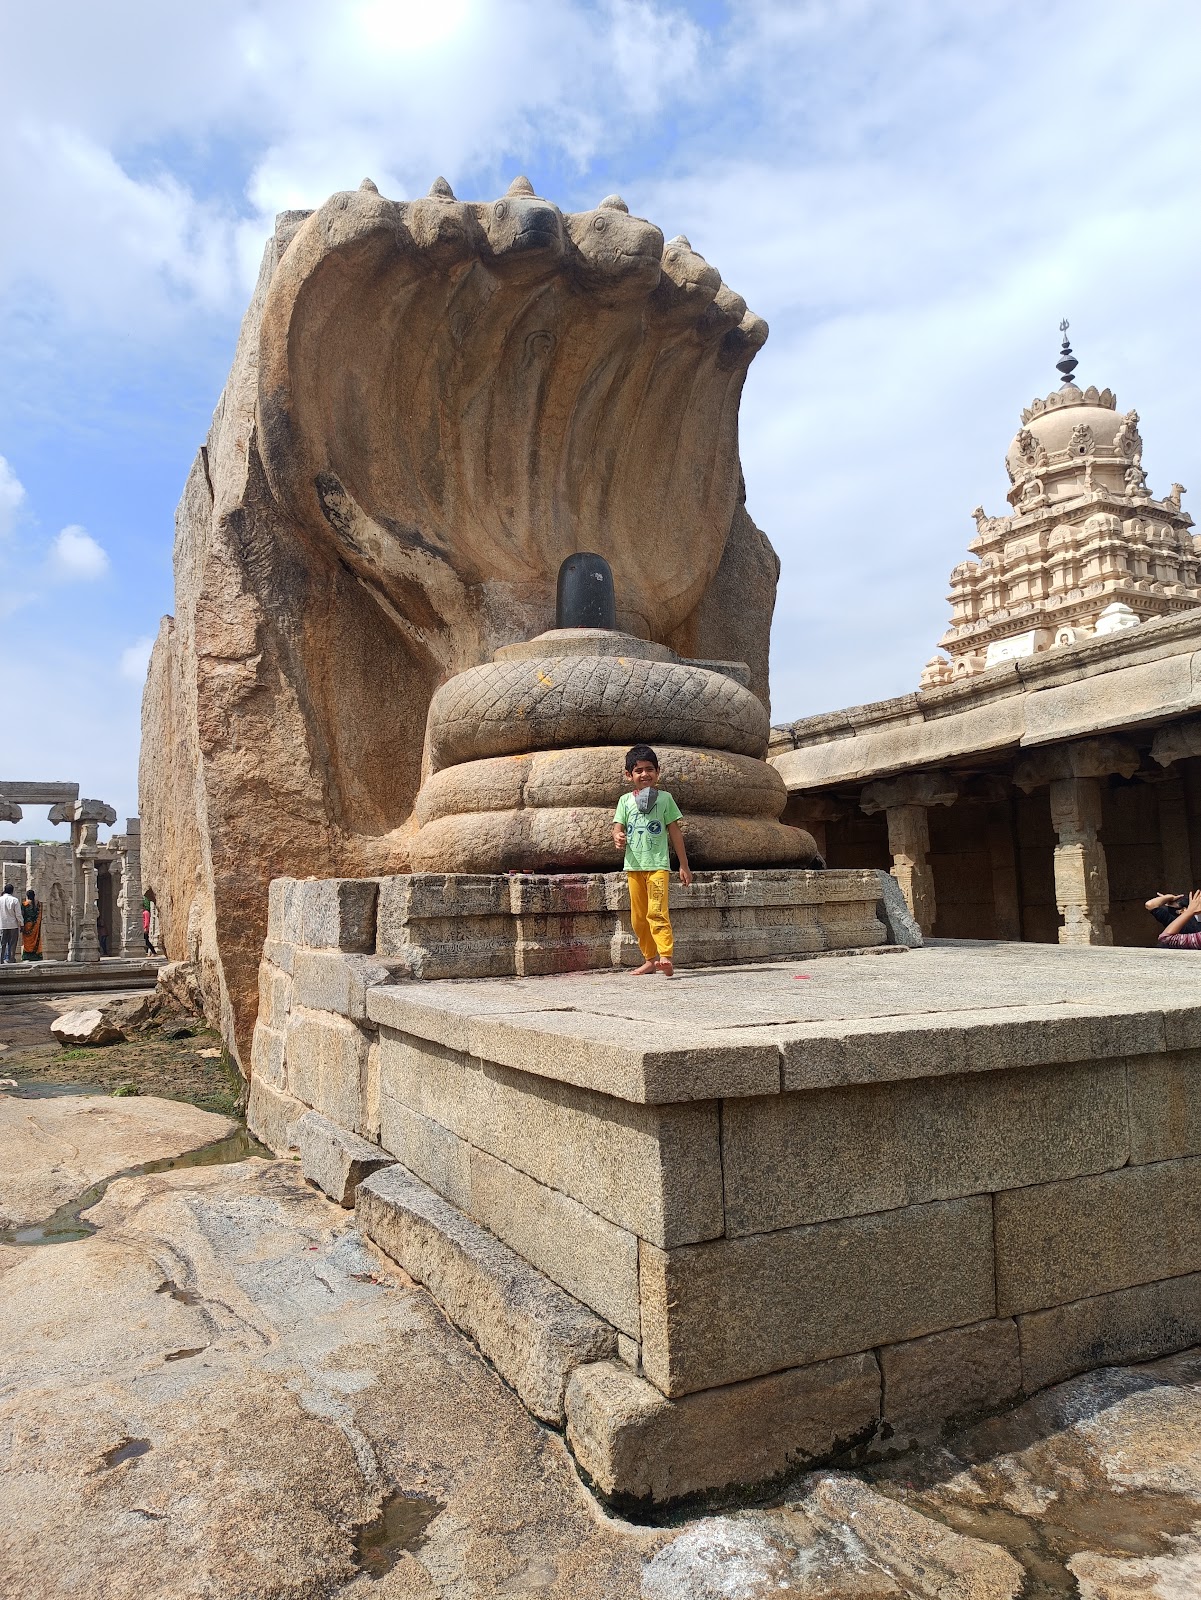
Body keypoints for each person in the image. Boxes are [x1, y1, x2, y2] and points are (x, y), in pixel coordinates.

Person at [611, 743, 692, 977]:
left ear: (658, 771)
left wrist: (683, 865)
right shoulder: (625, 801)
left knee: (657, 912)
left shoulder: (665, 799)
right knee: (638, 918)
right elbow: (618, 826)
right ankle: (649, 959)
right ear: (629, 775)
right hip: (634, 866)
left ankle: (665, 957)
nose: (644, 774)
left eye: (649, 769)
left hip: (658, 865)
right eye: (638, 770)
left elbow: (675, 832)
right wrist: (617, 836)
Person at [0, 883, 22, 964]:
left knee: (2, 943)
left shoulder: (0, 899)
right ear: (12, 891)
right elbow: (18, 914)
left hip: (2, 924)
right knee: (12, 943)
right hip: (13, 924)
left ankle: (1, 959)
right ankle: (11, 958)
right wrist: (21, 924)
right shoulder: (15, 900)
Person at [20, 888, 43, 961]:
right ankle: (36, 955)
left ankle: (28, 956)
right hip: (36, 925)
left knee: (27, 941)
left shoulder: (24, 904)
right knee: (36, 939)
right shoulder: (38, 904)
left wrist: (21, 925)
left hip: (27, 925)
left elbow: (22, 915)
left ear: (27, 896)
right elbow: (40, 916)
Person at [142, 889, 158, 955]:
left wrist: (146, 928)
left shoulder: (146, 912)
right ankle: (152, 951)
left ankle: (153, 951)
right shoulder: (142, 912)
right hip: (142, 928)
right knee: (146, 941)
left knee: (146, 941)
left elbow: (147, 920)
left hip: (145, 928)